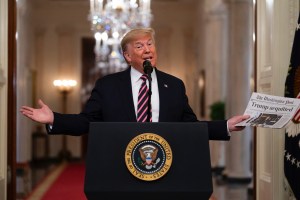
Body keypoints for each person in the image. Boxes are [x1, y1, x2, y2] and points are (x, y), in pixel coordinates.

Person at [20, 27, 249, 139]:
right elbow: (87, 122)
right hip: (120, 165)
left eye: (150, 44)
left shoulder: (174, 85)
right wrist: (54, 119)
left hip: (165, 164)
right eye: (139, 46)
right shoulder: (108, 86)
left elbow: (189, 126)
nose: (147, 49)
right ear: (127, 56)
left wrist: (226, 125)